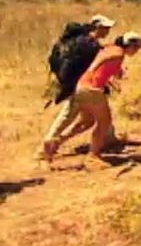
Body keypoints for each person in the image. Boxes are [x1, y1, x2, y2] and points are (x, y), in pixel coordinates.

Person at [50, 32, 141, 169]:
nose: (136, 52)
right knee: (104, 122)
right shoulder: (117, 53)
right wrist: (93, 68)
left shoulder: (112, 49)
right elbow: (101, 61)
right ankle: (93, 157)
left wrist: (117, 75)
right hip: (92, 90)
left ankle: (56, 141)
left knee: (87, 122)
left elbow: (110, 67)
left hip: (81, 87)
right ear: (130, 45)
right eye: (136, 48)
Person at [39, 14, 115, 159]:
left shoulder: (83, 42)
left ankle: (55, 141)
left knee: (87, 120)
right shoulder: (90, 45)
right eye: (105, 28)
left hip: (78, 86)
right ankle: (47, 144)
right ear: (97, 27)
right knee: (68, 116)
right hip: (80, 87)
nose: (108, 31)